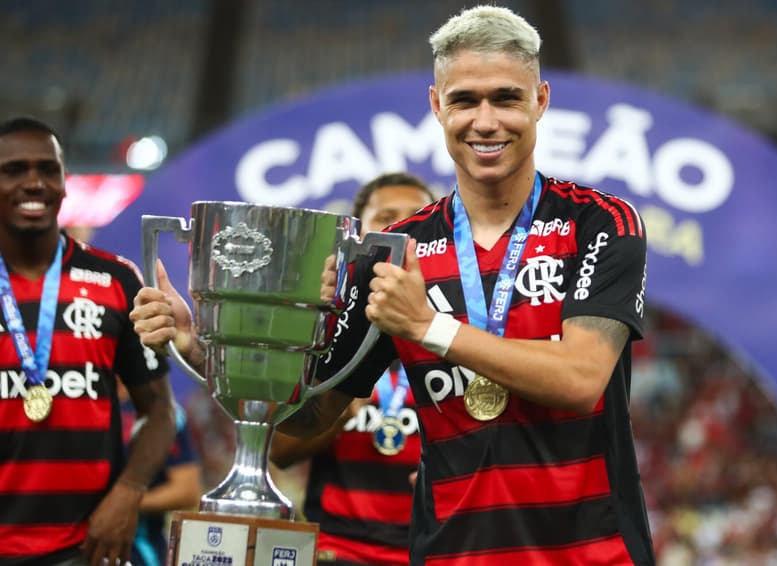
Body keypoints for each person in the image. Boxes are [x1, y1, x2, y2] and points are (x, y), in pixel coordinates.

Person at [131, 5, 655, 564]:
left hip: (595, 555)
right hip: (449, 555)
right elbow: (293, 433)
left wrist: (429, 328)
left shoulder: (600, 222)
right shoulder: (391, 254)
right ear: (436, 106)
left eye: (506, 98)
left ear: (541, 101)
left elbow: (581, 380)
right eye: (463, 100)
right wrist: (207, 349)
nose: (485, 121)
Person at [0, 116, 177, 566]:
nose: (34, 182)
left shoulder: (116, 279)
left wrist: (129, 492)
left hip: (83, 548)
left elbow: (158, 410)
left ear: (64, 183)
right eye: (14, 170)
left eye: (48, 169)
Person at [269, 172, 436, 566]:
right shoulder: (325, 334)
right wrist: (341, 406)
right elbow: (281, 451)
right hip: (338, 550)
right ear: (360, 239)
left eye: (417, 218)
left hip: (434, 546)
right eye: (388, 219)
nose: (403, 233)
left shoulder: (460, 332)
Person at [117, 381, 202, 566]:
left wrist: (122, 501)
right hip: (69, 547)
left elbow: (187, 490)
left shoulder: (165, 415)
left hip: (140, 552)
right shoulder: (74, 403)